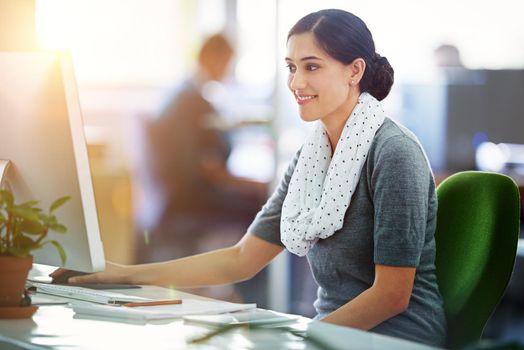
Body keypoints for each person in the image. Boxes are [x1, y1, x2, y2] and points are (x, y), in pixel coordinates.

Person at [57, 9, 447, 346]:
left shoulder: (394, 153)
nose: (296, 84)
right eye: (292, 68)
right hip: (330, 334)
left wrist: (303, 341)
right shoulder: (312, 156)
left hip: (394, 338)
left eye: (312, 66)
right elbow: (241, 259)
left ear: (354, 71)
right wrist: (123, 275)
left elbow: (392, 295)